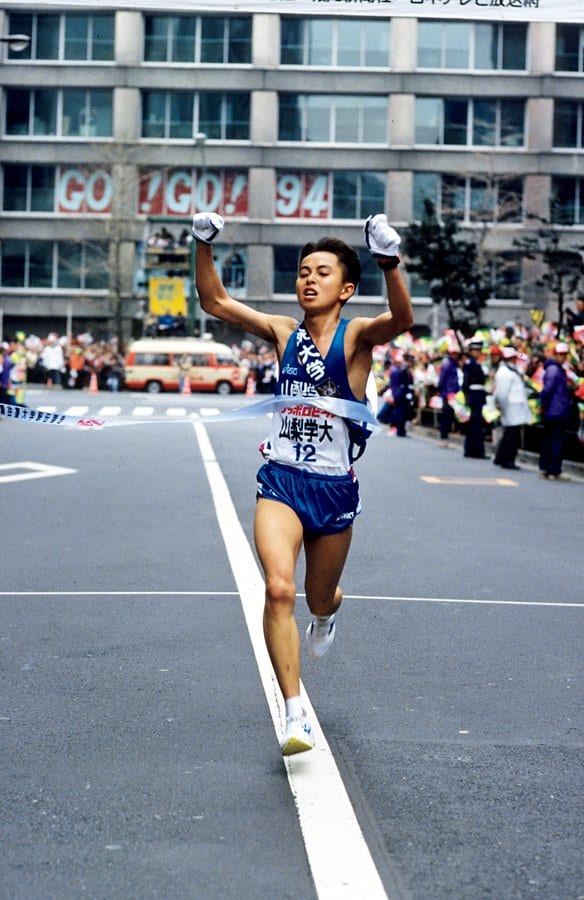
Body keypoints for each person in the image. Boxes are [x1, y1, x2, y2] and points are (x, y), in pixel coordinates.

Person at [192, 211, 413, 756]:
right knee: (278, 588)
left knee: (316, 597)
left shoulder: (356, 335)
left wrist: (390, 260)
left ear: (346, 288)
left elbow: (402, 319)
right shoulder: (283, 332)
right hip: (283, 481)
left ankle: (330, 610)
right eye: (302, 272)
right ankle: (295, 714)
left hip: (334, 487)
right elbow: (215, 303)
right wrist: (201, 244)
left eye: (321, 272)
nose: (308, 280)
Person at [493, 346, 532, 470]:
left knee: (510, 435)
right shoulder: (504, 372)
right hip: (511, 408)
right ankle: (507, 460)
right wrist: (503, 408)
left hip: (516, 408)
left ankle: (501, 457)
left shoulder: (514, 369)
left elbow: (526, 358)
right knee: (511, 437)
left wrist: (519, 353)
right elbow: (502, 394)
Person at [539, 341, 571, 480]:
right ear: (555, 354)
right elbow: (547, 391)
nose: (563, 357)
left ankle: (547, 468)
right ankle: (553, 469)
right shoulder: (554, 370)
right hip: (556, 410)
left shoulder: (555, 369)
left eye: (564, 355)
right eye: (560, 355)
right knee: (555, 441)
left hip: (554, 410)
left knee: (550, 440)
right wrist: (543, 404)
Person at [462, 338, 488, 459]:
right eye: (475, 350)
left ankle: (472, 449)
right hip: (474, 396)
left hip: (477, 396)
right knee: (475, 425)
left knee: (475, 424)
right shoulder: (470, 364)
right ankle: (476, 450)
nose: (478, 353)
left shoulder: (476, 364)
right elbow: (466, 384)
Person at [437, 343, 461, 446]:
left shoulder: (454, 364)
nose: (455, 355)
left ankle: (445, 437)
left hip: (453, 393)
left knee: (450, 416)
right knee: (446, 415)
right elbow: (442, 380)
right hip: (448, 393)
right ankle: (443, 438)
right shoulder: (447, 364)